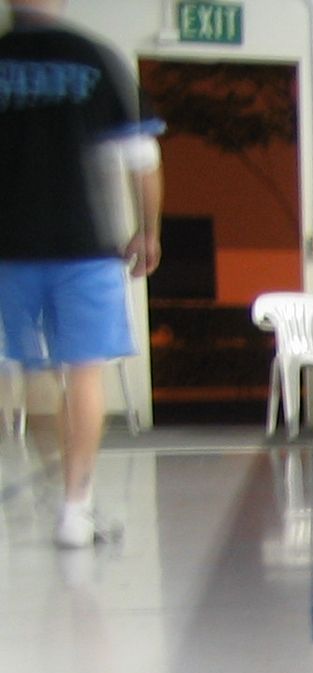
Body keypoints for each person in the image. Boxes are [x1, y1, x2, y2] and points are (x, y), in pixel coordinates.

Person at [0, 0, 162, 548]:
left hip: (9, 248)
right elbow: (142, 156)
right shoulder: (94, 58)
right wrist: (149, 230)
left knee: (31, 372)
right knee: (84, 373)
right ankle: (75, 509)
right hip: (85, 244)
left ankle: (59, 493)